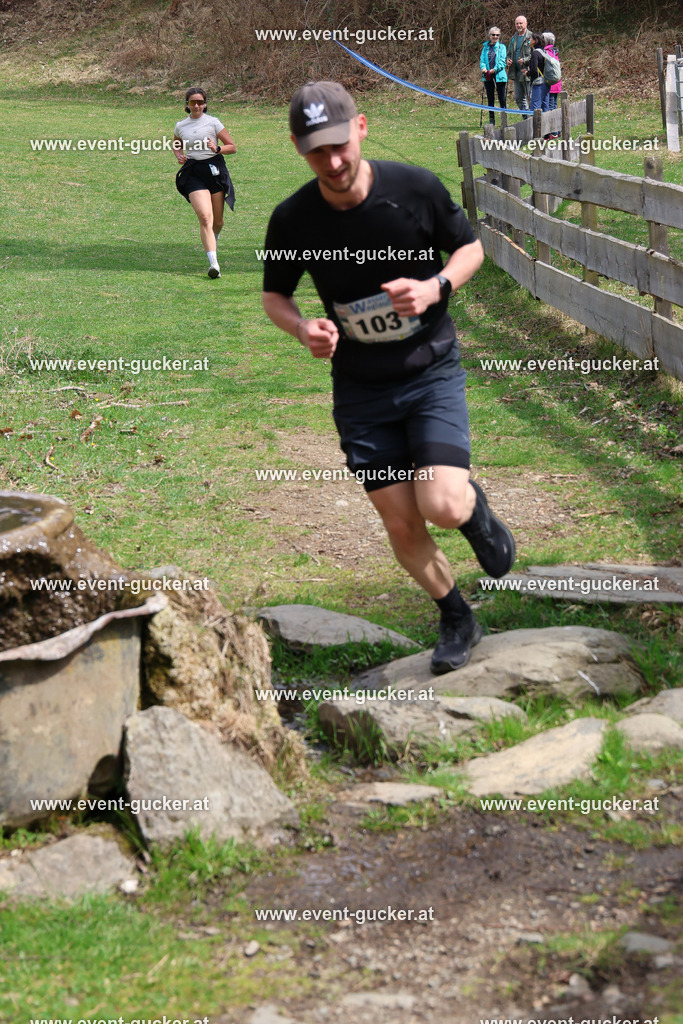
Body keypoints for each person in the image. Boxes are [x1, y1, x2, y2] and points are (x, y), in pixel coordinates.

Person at [261, 82, 516, 674]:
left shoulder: (414, 189)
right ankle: (457, 616)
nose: (333, 162)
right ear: (298, 148)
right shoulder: (294, 219)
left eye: (339, 145)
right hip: (360, 391)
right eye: (317, 151)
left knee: (441, 504)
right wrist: (302, 328)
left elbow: (471, 250)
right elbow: (275, 295)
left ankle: (473, 512)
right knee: (401, 521)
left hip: (429, 373)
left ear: (361, 128)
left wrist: (435, 287)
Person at [173, 87, 236, 279]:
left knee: (218, 221)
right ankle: (214, 264)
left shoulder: (213, 123)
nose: (196, 105)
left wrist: (217, 148)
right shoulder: (181, 126)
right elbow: (176, 143)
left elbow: (232, 147)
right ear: (187, 104)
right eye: (193, 102)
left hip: (214, 170)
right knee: (205, 218)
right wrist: (179, 155)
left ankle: (213, 238)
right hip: (193, 172)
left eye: (200, 102)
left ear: (205, 104)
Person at [480, 26, 507, 126]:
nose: (495, 36)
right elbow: (482, 60)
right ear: (489, 35)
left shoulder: (502, 47)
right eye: (493, 35)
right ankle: (492, 120)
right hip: (488, 76)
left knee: (502, 98)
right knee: (490, 98)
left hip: (499, 76)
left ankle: (504, 120)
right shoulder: (485, 47)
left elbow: (503, 61)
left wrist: (495, 69)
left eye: (497, 35)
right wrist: (483, 68)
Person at [506, 15, 532, 117]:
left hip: (528, 73)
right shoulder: (514, 38)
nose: (519, 25)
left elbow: (536, 54)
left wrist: (525, 60)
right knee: (518, 98)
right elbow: (509, 53)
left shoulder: (531, 37)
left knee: (531, 97)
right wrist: (508, 60)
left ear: (526, 23)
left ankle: (534, 119)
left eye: (521, 23)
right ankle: (526, 118)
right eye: (517, 23)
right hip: (516, 72)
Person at [524, 33, 550, 113]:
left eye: (530, 39)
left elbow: (534, 70)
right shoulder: (544, 51)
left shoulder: (535, 53)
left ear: (535, 41)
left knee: (535, 108)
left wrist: (527, 73)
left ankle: (535, 122)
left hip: (538, 83)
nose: (529, 40)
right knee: (545, 107)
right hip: (546, 82)